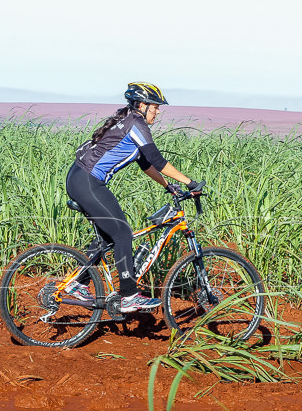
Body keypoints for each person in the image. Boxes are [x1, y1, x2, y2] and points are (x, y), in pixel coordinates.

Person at [65, 82, 201, 312]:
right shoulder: (136, 123)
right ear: (142, 104)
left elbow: (145, 163)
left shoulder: (129, 120)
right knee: (123, 233)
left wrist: (169, 186)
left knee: (109, 236)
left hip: (79, 178)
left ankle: (78, 283)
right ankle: (128, 295)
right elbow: (158, 160)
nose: (158, 111)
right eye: (155, 106)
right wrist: (189, 182)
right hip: (87, 182)